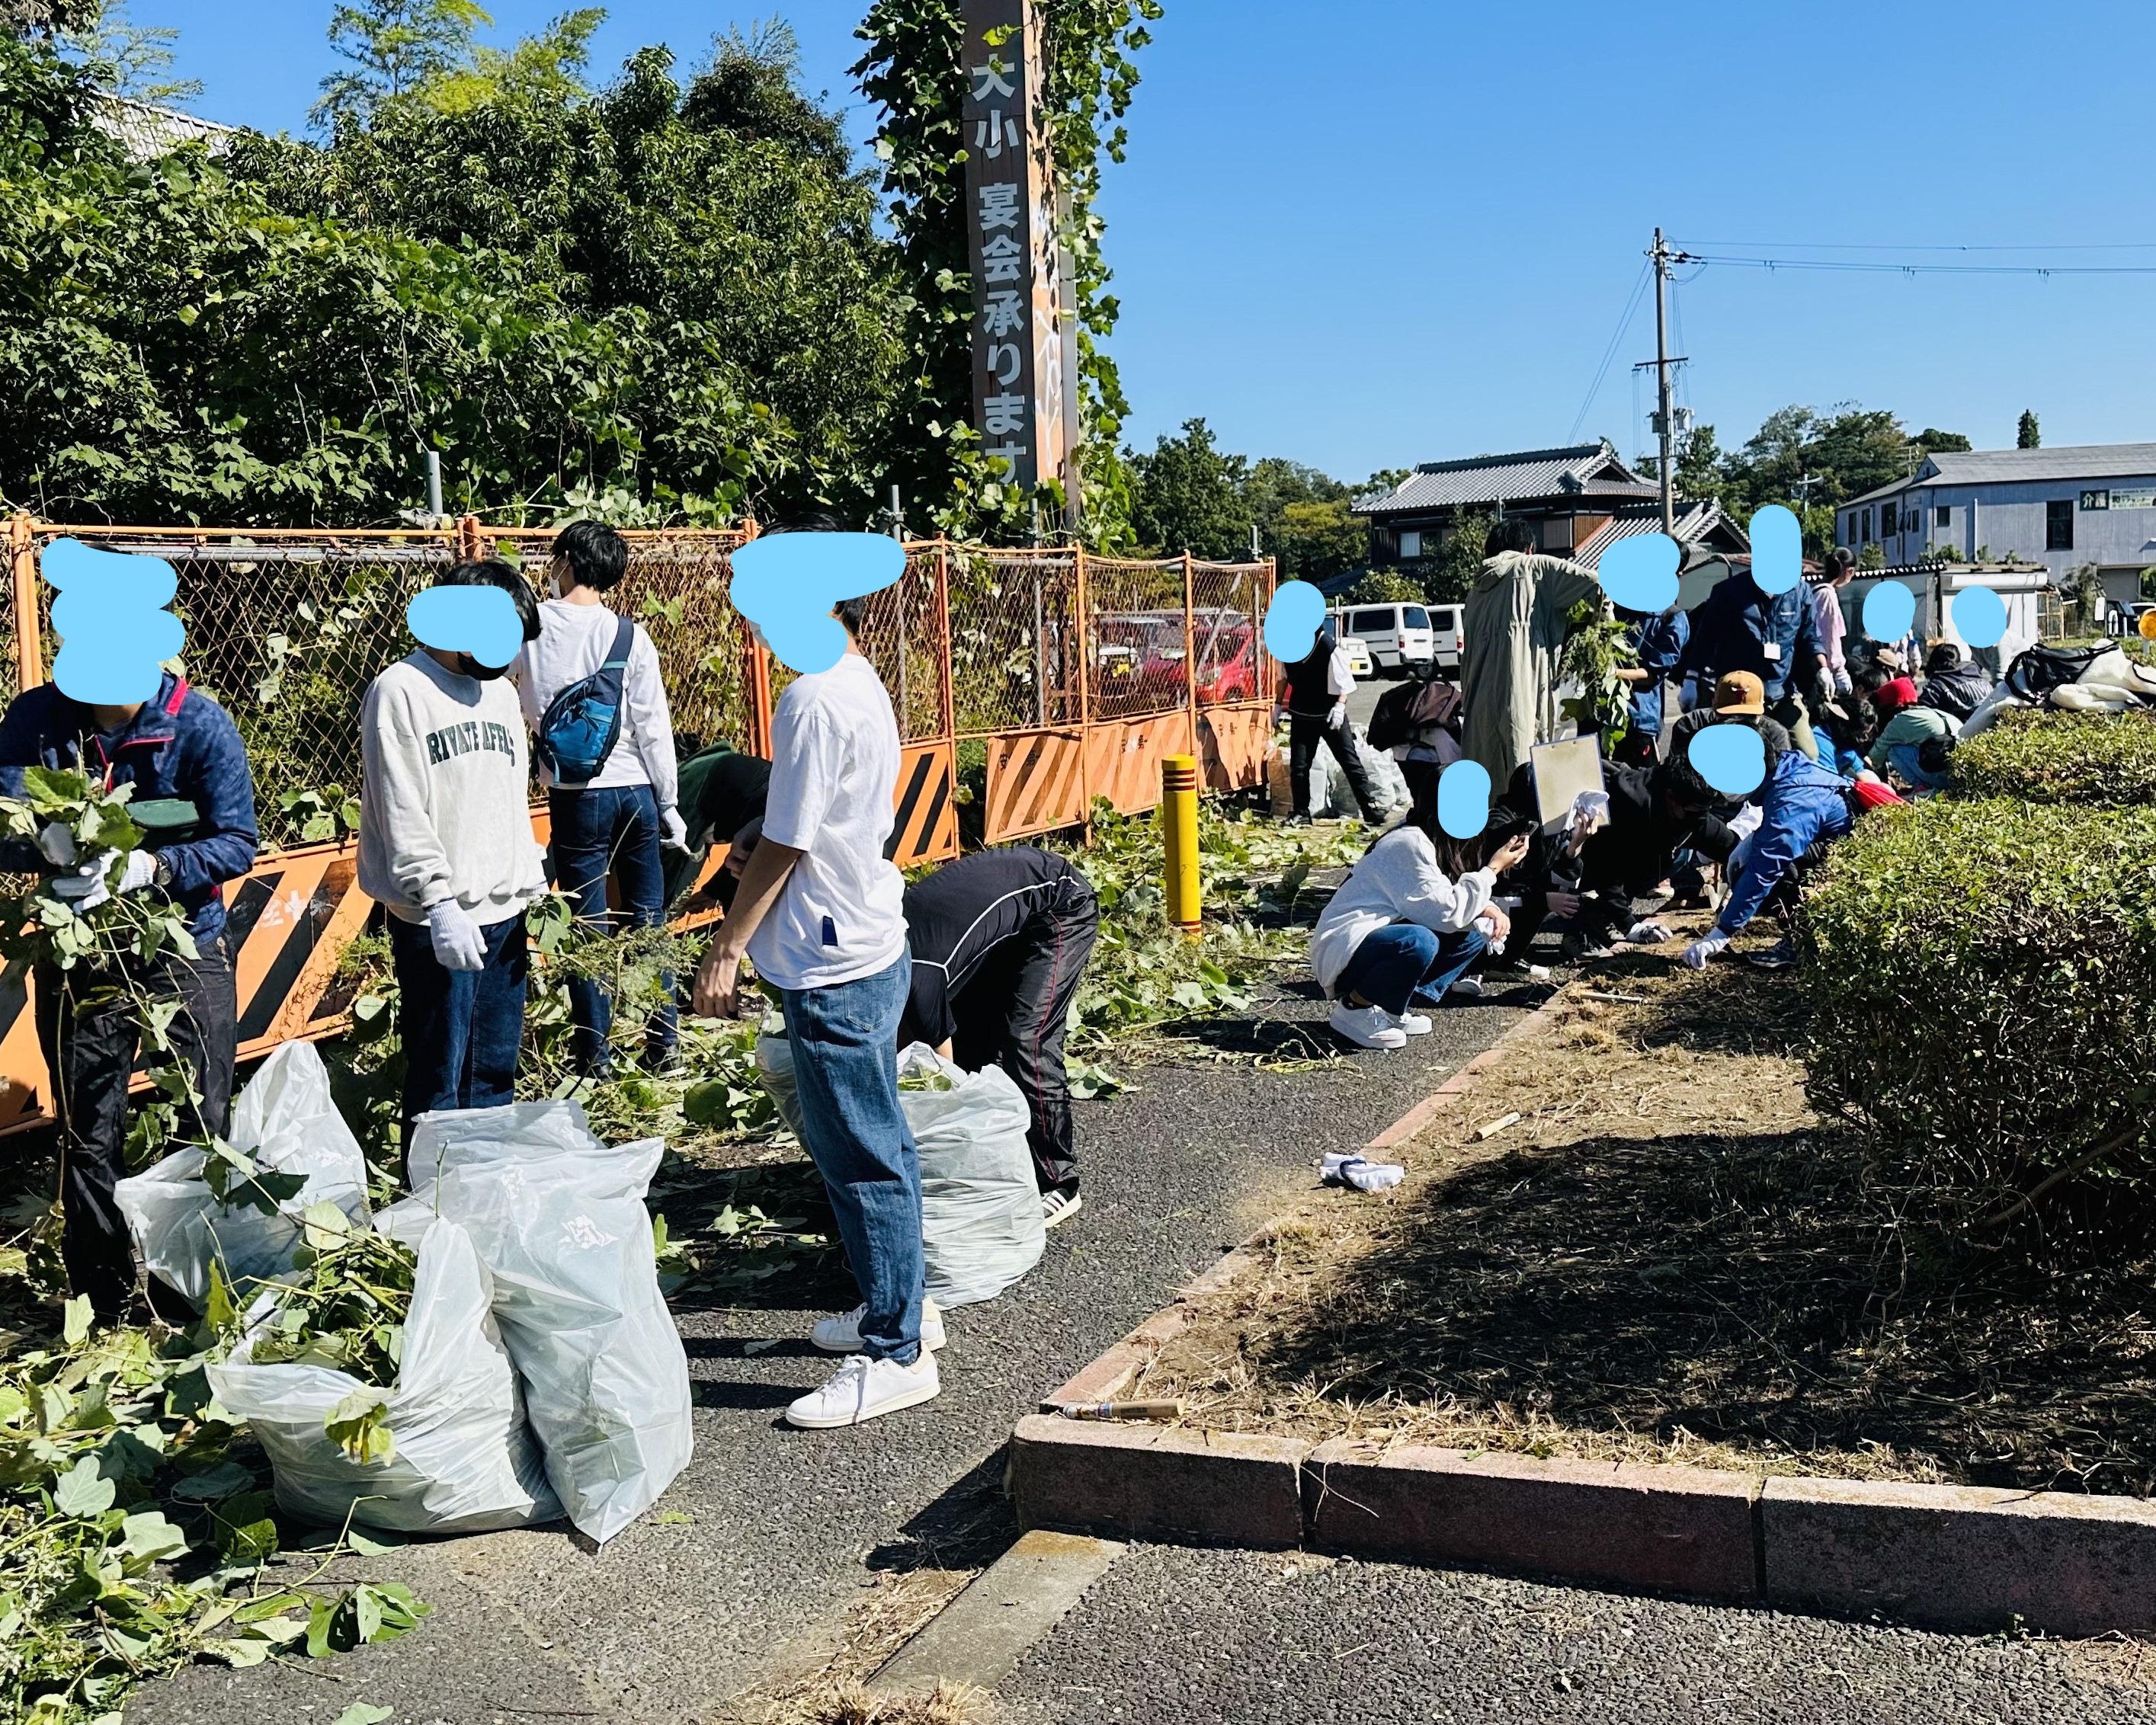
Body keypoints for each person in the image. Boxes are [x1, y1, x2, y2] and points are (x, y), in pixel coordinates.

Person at [690, 537, 937, 1431]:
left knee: (863, 1152)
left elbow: (792, 843)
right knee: (862, 1142)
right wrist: (763, 826)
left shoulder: (810, 695)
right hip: (863, 931)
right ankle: (901, 1301)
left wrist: (725, 946)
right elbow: (804, 815)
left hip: (833, 955)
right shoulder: (857, 678)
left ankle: (896, 1349)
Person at [0, 667, 258, 1319]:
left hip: (184, 944)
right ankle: (104, 1299)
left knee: (198, 1118)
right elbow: (3, 819)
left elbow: (236, 842)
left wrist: (153, 867)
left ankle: (191, 1294)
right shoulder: (38, 721)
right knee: (91, 1125)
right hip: (82, 950)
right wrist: (48, 845)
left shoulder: (198, 724)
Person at [359, 559, 549, 1138]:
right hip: (440, 917)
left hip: (502, 911)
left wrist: (526, 878)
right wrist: (438, 902)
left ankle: (485, 1187)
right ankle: (435, 1199)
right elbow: (401, 805)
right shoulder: (401, 690)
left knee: (492, 1069)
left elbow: (505, 798)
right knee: (440, 1069)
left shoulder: (497, 694)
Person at [515, 521, 687, 1076]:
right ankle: (664, 1044)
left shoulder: (528, 631)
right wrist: (669, 801)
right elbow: (653, 726)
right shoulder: (630, 636)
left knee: (587, 924)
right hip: (636, 789)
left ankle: (595, 1053)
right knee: (648, 917)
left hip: (575, 794)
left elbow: (510, 698)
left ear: (565, 559)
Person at [897, 846, 1100, 1227]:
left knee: (1027, 1038)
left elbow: (941, 1077)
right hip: (1009, 913)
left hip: (1062, 904)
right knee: (975, 1043)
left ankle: (1058, 1182)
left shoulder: (921, 978)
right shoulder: (885, 959)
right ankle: (1003, 1157)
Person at [1308, 801, 1530, 1050]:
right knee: (1419, 942)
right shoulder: (1407, 843)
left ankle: (1390, 1007)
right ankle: (1354, 1007)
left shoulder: (1431, 840)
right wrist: (1494, 869)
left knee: (1475, 932)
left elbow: (1441, 897)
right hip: (1344, 946)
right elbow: (1446, 913)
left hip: (1375, 938)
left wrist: (1487, 908)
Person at [1497, 742, 1738, 968]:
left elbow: (1730, 847)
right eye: (1694, 811)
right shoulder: (1633, 804)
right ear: (1672, 798)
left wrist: (1746, 887)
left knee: (1669, 860)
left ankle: (1599, 915)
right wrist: (1629, 925)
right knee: (1547, 884)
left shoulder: (1688, 808)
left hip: (1598, 853)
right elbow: (1606, 869)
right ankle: (1580, 925)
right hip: (1575, 851)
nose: (1699, 817)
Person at [1684, 744, 1901, 971]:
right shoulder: (1790, 767)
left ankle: (1799, 945)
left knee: (1764, 873)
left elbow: (1764, 870)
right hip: (1852, 839)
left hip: (1858, 857)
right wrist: (1754, 841)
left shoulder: (1791, 801)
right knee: (1756, 860)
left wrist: (1722, 932)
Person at [1460, 517, 1603, 785]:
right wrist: (1590, 628)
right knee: (1524, 776)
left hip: (1478, 706)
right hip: (1520, 697)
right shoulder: (1533, 568)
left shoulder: (1476, 591)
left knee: (1487, 779)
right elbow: (1598, 586)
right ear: (1529, 548)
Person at [1677, 557, 1824, 760]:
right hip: (1738, 694)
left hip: (1781, 691)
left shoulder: (1801, 592)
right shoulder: (1728, 591)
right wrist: (1691, 680)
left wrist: (1823, 668)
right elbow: (1705, 639)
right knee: (1732, 756)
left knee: (1808, 754)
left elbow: (1811, 637)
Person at [1280, 615, 1380, 823]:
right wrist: (1277, 705)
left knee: (1348, 761)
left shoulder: (1328, 648)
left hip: (1330, 714)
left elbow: (1344, 683)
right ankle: (1301, 812)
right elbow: (1283, 678)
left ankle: (1369, 808)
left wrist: (1340, 706)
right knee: (1299, 766)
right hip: (1302, 714)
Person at [666, 741, 773, 909]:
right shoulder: (778, 810)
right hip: (699, 787)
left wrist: (713, 892)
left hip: (722, 790)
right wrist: (713, 892)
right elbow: (747, 860)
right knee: (668, 885)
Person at [1364, 667, 1463, 815]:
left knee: (1421, 800)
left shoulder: (1440, 707)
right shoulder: (1451, 717)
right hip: (1422, 757)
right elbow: (1454, 765)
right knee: (1434, 803)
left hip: (1405, 752)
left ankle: (1421, 817)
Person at [1607, 600, 1689, 768]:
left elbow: (1652, 675)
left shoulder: (1671, 617)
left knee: (1637, 787)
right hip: (1599, 717)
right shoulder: (1613, 606)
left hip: (1638, 720)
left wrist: (1612, 674)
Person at [1868, 673, 1959, 792]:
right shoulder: (1930, 712)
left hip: (1945, 778)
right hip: (1957, 776)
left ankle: (1922, 788)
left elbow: (1875, 757)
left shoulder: (1899, 721)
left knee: (1892, 748)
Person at [1812, 549, 1856, 696]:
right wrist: (1839, 672)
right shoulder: (1827, 595)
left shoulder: (1815, 592)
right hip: (1825, 669)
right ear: (1849, 571)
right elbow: (1830, 638)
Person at [1916, 640, 1992, 722]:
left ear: (1934, 663)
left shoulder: (1938, 685)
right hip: (1997, 724)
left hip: (1968, 731)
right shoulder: (1975, 673)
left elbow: (1920, 713)